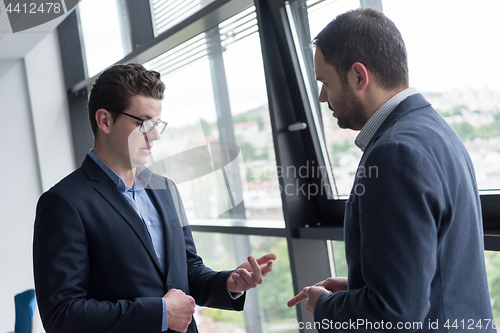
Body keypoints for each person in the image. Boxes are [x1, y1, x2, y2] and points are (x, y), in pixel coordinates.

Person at [287, 8, 494, 332]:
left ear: (358, 76)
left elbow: (393, 315)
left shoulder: (394, 154)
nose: (322, 96)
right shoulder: (436, 131)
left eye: (326, 82)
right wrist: (361, 286)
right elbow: (436, 274)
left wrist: (324, 305)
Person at [33, 63, 276, 333]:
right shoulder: (64, 203)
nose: (155, 135)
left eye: (157, 123)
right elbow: (62, 315)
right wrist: (160, 313)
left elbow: (186, 269)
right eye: (144, 123)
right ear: (105, 121)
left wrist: (228, 284)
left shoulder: (165, 188)